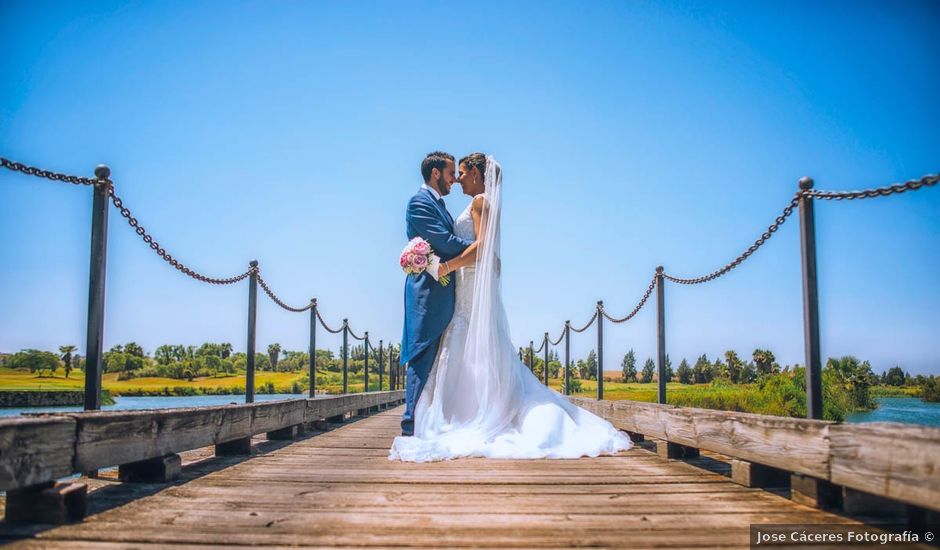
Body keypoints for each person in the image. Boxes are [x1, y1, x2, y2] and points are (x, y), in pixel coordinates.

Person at [390, 153, 632, 461]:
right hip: (464, 289)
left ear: (477, 174)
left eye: (462, 172)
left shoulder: (479, 203)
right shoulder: (450, 203)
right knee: (465, 352)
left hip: (464, 285)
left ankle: (464, 416)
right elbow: (476, 245)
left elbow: (474, 246)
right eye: (454, 173)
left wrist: (447, 266)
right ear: (436, 173)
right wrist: (477, 256)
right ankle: (461, 413)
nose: (458, 178)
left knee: (468, 350)